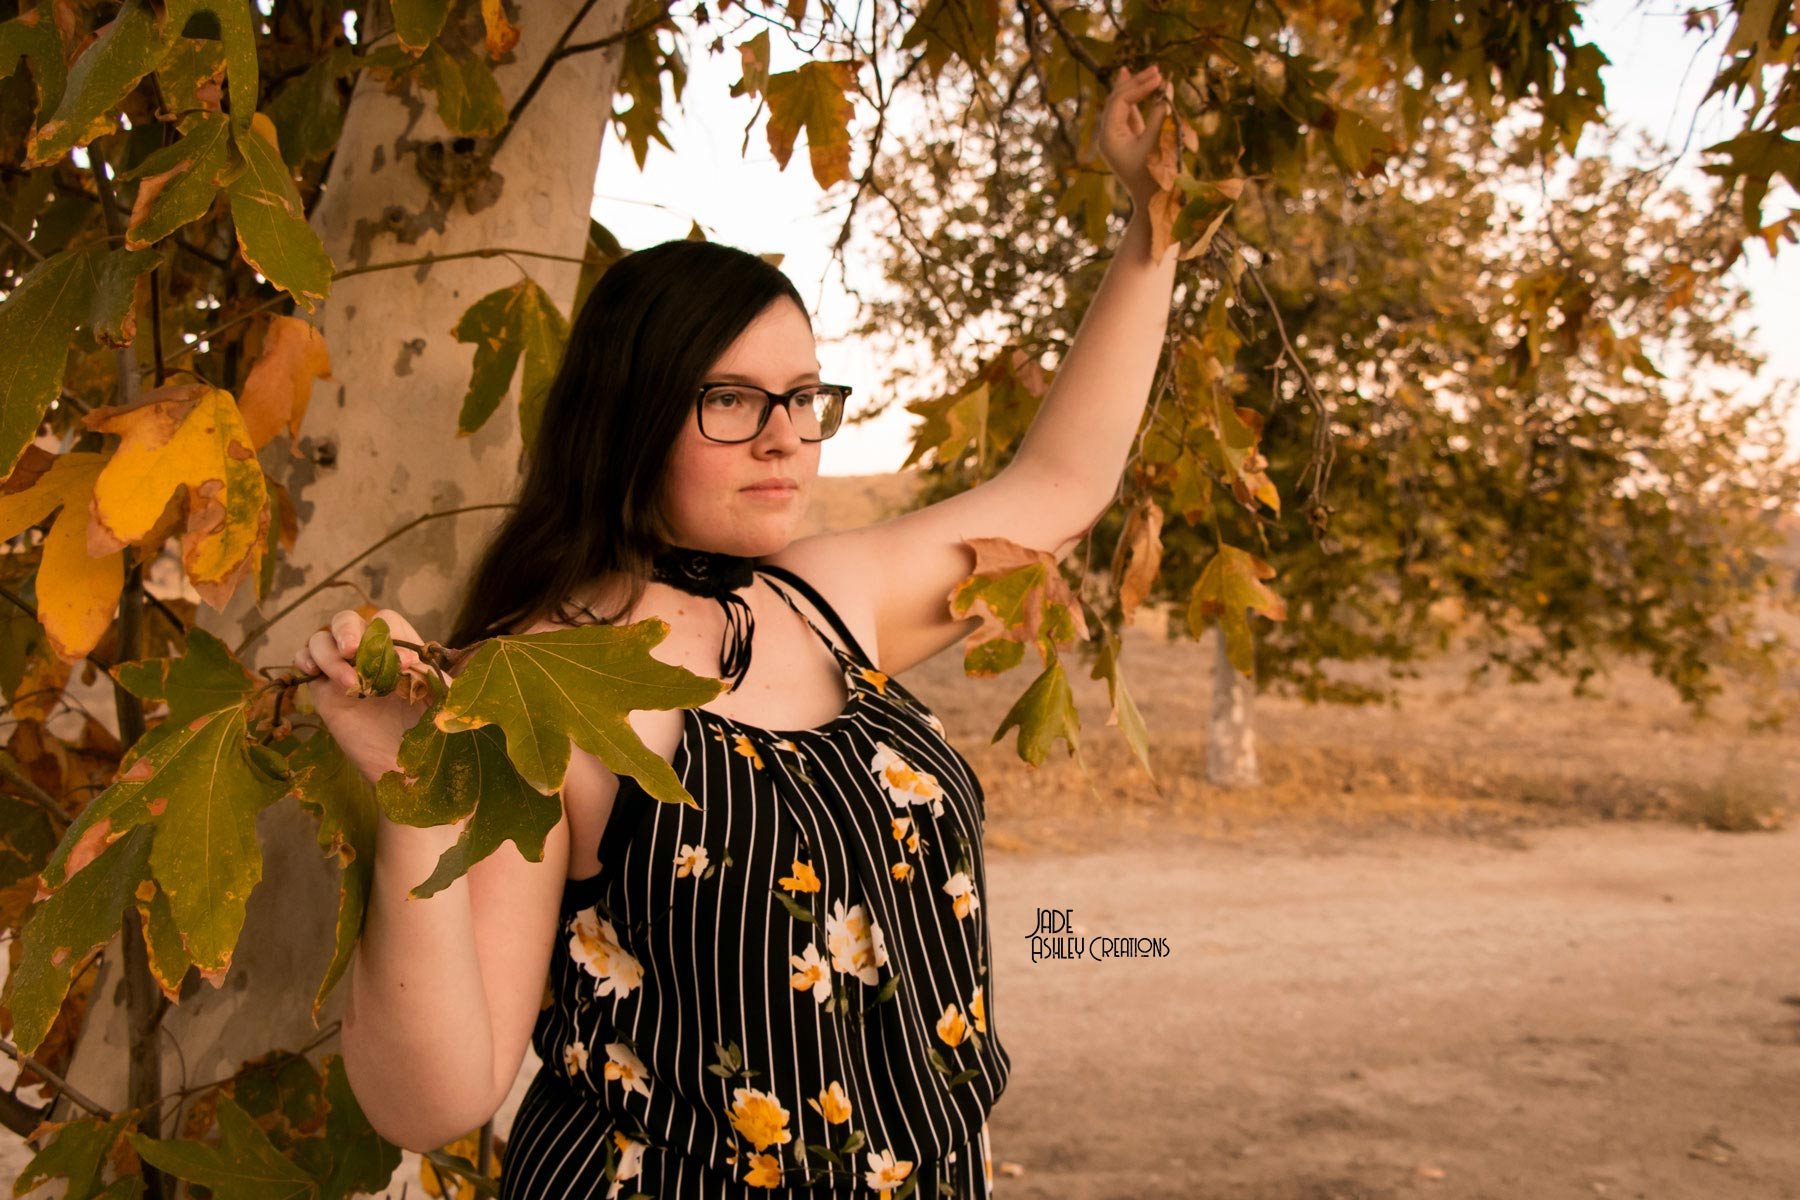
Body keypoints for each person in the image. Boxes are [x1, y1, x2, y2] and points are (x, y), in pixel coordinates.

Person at [297, 62, 1177, 1199]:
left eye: (804, 397)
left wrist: (1151, 230)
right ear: (632, 417)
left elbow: (1060, 483)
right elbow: (440, 1096)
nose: (785, 439)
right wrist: (413, 788)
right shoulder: (540, 684)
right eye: (731, 400)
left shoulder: (826, 601)